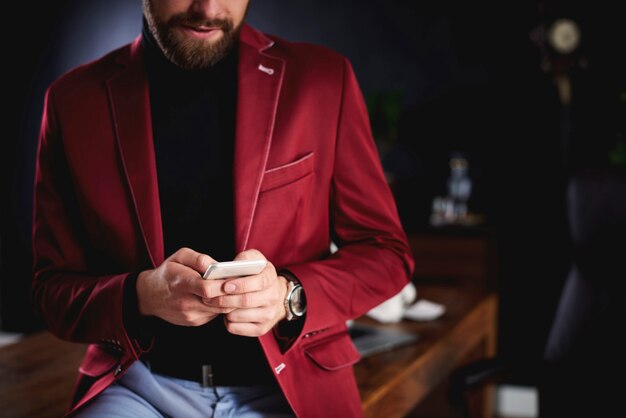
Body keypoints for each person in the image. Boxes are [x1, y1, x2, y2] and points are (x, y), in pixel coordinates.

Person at [32, 1, 414, 417]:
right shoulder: (72, 101)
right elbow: (51, 292)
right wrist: (140, 296)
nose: (208, 8)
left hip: (288, 390)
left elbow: (387, 254)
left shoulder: (323, 80)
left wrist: (290, 295)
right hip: (136, 386)